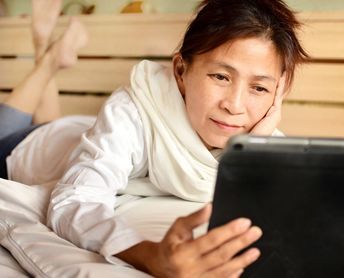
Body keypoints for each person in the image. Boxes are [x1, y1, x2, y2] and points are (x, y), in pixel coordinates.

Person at [3, 0, 308, 276]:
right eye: (221, 77)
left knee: (59, 128)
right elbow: (75, 199)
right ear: (180, 70)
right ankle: (48, 54)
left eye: (260, 88)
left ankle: (47, 50)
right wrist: (150, 256)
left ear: (278, 95)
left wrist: (255, 152)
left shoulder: (265, 140)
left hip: (75, 136)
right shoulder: (134, 110)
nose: (234, 105)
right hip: (28, 144)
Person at [0, 0, 88, 179]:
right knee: (48, 131)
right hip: (61, 132)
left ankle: (49, 55)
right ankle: (46, 52)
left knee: (46, 134)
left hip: (57, 137)